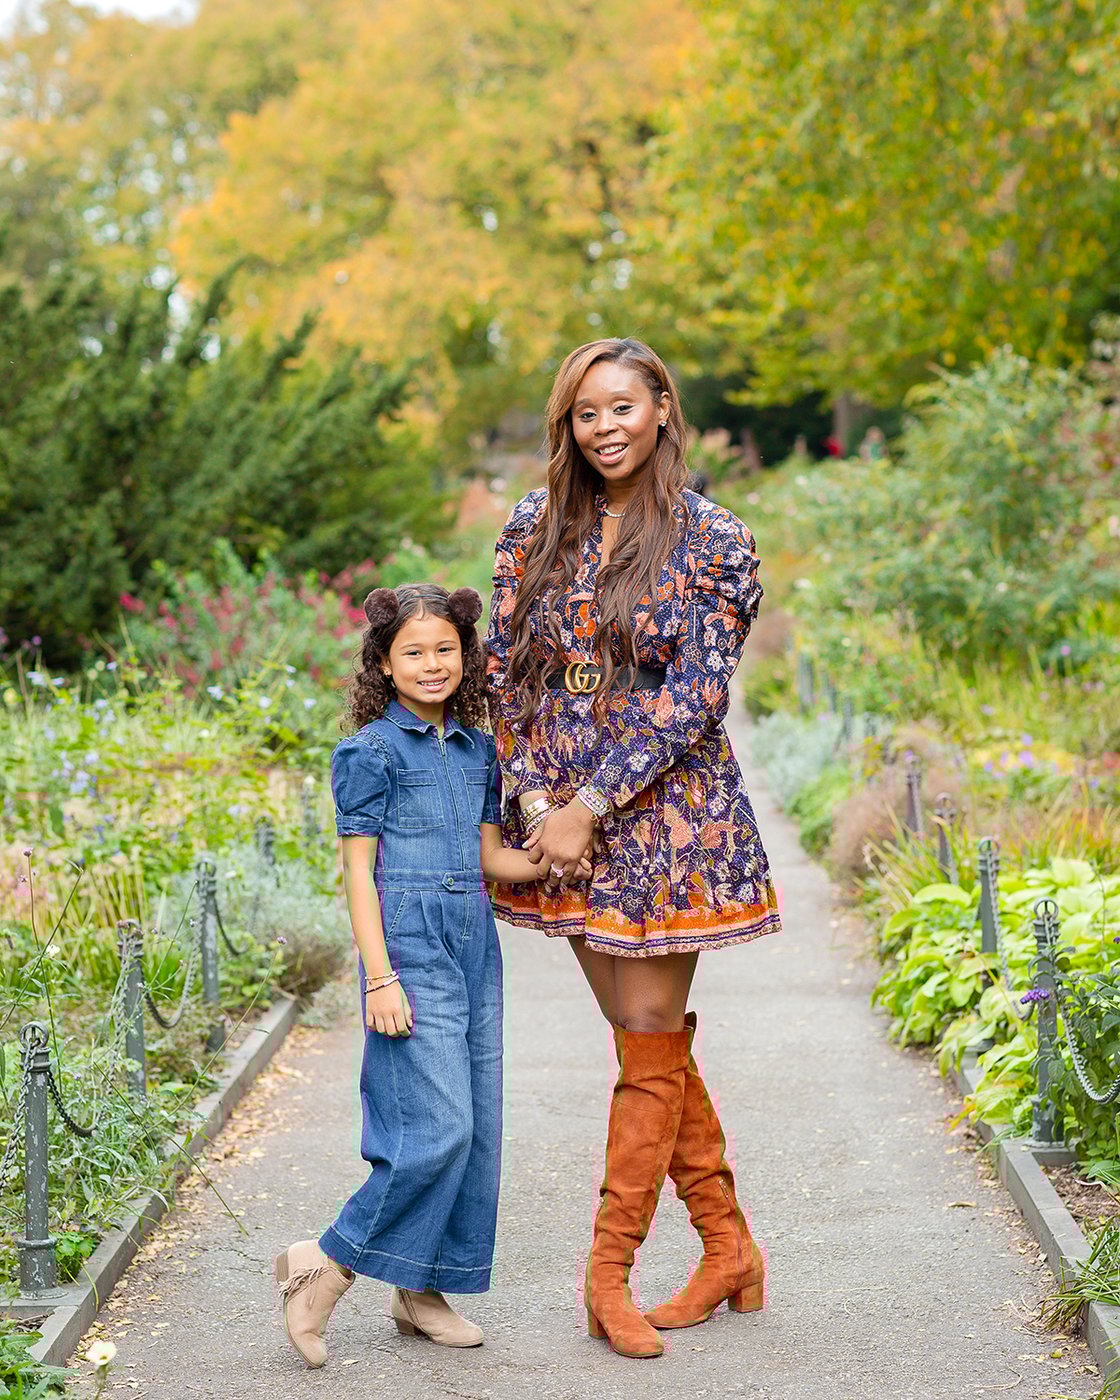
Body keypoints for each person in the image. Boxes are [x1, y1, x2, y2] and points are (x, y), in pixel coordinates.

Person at [486, 337, 782, 1360]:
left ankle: (605, 1274)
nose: (604, 426)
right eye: (584, 412)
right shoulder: (532, 526)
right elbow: (506, 676)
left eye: (622, 404)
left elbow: (694, 695)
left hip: (662, 813)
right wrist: (532, 798)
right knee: (641, 1036)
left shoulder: (713, 537)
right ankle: (728, 1245)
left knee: (648, 1023)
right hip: (557, 809)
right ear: (566, 425)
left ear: (661, 404)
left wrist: (593, 803)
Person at [274, 583, 578, 1368]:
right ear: (383, 662)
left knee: (473, 1128)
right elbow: (357, 873)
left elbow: (490, 860)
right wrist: (380, 978)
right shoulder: (368, 752)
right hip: (408, 945)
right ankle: (325, 1264)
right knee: (434, 1125)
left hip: (473, 939)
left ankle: (421, 1290)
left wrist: (554, 852)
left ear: (466, 656)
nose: (432, 663)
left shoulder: (479, 751)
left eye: (446, 648)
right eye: (413, 651)